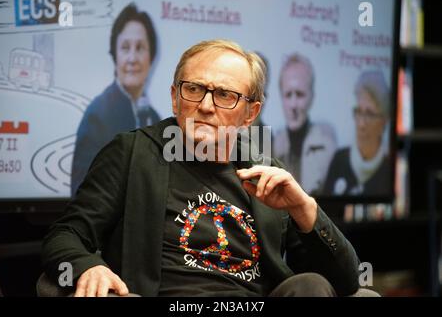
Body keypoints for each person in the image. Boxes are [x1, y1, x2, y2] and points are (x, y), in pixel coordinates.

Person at [42, 39, 360, 297]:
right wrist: (88, 266)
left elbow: (346, 283)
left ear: (250, 114)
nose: (206, 106)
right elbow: (65, 235)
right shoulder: (132, 153)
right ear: (175, 97)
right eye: (194, 89)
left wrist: (305, 210)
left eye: (224, 95)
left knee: (311, 287)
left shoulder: (266, 173)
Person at [71, 3, 161, 195]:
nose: (132, 58)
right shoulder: (98, 114)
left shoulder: (155, 118)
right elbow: (82, 193)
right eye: (125, 48)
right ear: (115, 55)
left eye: (140, 48)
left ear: (151, 57)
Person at [274, 53, 337, 195]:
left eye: (300, 94)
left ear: (312, 97)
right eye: (288, 94)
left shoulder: (326, 141)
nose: (293, 104)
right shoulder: (273, 143)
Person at [323, 70, 390, 196]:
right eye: (359, 112)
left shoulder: (389, 167)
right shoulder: (339, 159)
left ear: (384, 121)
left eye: (369, 114)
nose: (361, 123)